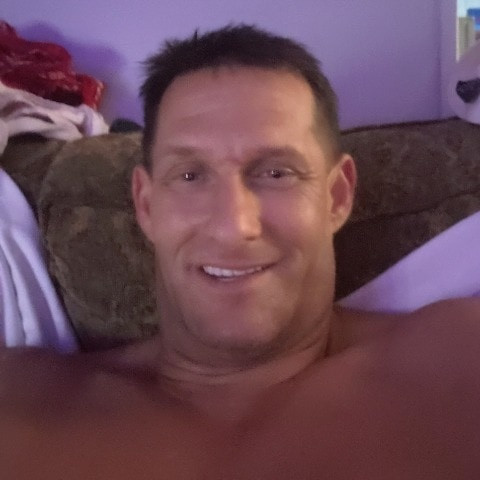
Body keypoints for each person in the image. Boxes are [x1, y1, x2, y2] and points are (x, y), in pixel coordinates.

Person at [1, 24, 480, 479]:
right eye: (190, 175)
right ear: (146, 205)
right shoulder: (26, 400)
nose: (234, 226)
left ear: (336, 197)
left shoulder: (456, 363)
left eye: (276, 173)